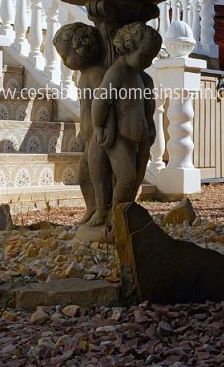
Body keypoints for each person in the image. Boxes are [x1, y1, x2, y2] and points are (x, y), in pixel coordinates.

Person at [89, 22, 163, 224]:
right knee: (127, 179)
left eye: (151, 58)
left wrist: (150, 124)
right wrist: (98, 126)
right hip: (120, 138)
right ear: (128, 47)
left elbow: (149, 105)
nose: (147, 62)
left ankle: (125, 212)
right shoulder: (118, 72)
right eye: (144, 55)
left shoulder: (143, 77)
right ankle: (114, 215)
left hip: (141, 138)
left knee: (136, 181)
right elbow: (100, 100)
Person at [52, 22, 109, 225]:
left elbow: (104, 103)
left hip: (98, 136)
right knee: (85, 174)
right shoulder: (84, 75)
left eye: (66, 56)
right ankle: (92, 208)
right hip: (89, 135)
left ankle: (103, 211)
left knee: (98, 176)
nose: (64, 61)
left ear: (82, 49)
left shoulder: (95, 75)